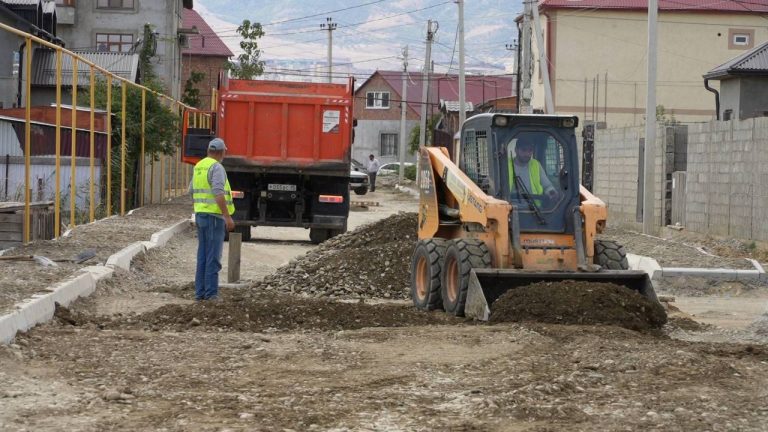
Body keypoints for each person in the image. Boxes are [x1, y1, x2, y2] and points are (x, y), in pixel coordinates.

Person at [192, 138, 235, 301]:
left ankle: (200, 293)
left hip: (201, 215)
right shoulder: (216, 167)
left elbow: (191, 190)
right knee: (213, 257)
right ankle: (211, 294)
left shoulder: (199, 166)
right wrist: (227, 217)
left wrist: (201, 206)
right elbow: (218, 192)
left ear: (209, 151)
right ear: (221, 152)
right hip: (214, 218)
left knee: (203, 256)